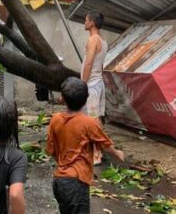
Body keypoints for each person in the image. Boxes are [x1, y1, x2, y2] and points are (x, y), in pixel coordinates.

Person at [46, 77, 124, 214]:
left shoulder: (55, 119)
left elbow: (51, 150)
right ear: (87, 98)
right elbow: (104, 143)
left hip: (59, 181)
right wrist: (117, 153)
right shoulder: (88, 123)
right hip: (77, 181)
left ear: (63, 98)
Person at [81, 12, 108, 164]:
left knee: (93, 119)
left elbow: (89, 63)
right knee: (96, 118)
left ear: (91, 23)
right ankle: (97, 151)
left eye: (86, 20)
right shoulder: (103, 41)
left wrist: (83, 83)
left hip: (92, 84)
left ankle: (96, 154)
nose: (84, 22)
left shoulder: (93, 39)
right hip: (98, 83)